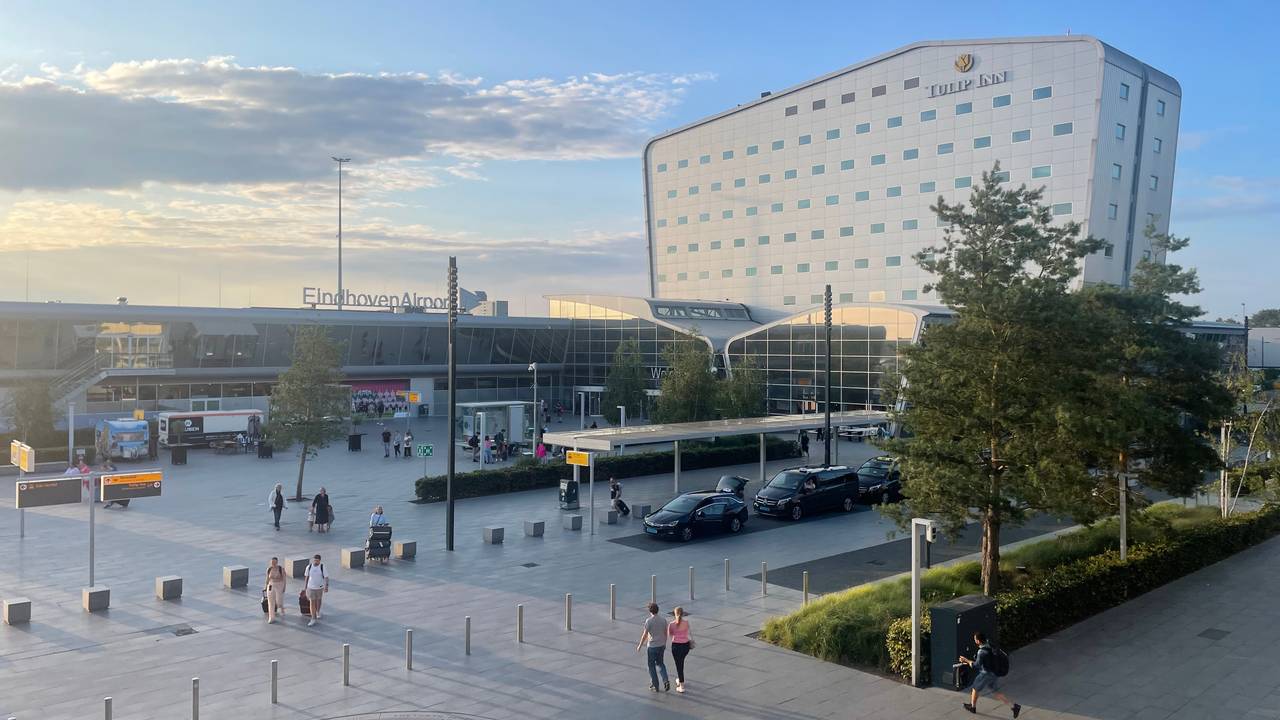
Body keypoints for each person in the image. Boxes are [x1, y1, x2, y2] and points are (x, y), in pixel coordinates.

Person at [959, 632, 1020, 717]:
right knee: (996, 692)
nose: (974, 640)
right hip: (994, 673)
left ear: (978, 641)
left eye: (975, 639)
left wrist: (966, 660)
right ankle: (1013, 706)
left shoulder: (981, 652)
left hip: (986, 674)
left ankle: (972, 707)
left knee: (975, 688)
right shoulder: (990, 645)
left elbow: (976, 665)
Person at [636, 603, 671, 692]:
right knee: (660, 664)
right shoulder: (663, 620)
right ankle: (666, 680)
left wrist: (640, 645)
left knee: (651, 666)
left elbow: (645, 635)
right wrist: (664, 643)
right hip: (661, 645)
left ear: (650, 611)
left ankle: (655, 685)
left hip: (652, 646)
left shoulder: (649, 621)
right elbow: (665, 633)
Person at [668, 606, 693, 693]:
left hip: (676, 646)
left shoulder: (671, 624)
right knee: (680, 663)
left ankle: (681, 685)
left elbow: (670, 634)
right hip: (685, 646)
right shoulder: (686, 622)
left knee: (679, 665)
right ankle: (680, 679)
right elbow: (688, 633)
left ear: (674, 614)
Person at [303, 554, 329, 626]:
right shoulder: (309, 567)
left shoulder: (322, 567)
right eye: (314, 560)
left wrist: (326, 586)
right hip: (311, 587)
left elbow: (326, 577)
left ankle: (318, 611)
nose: (315, 562)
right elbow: (306, 577)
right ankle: (313, 618)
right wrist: (305, 587)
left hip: (319, 587)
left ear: (319, 561)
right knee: (312, 602)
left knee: (319, 600)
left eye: (317, 561)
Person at [264, 557, 286, 623]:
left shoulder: (280, 569)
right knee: (270, 602)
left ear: (277, 562)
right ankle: (271, 617)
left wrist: (284, 587)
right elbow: (267, 579)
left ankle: (281, 607)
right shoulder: (269, 569)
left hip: (279, 585)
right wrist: (265, 587)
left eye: (274, 562)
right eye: (272, 562)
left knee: (278, 602)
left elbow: (284, 579)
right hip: (271, 585)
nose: (273, 563)